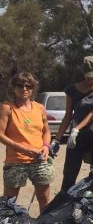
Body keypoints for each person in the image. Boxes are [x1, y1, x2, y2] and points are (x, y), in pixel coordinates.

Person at [55, 56, 93, 192]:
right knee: (69, 173)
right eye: (90, 76)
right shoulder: (71, 90)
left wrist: (77, 128)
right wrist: (56, 140)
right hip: (76, 138)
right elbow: (68, 115)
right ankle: (64, 202)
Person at [0, 73, 53, 210]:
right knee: (9, 202)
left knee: (44, 198)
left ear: (33, 88)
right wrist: (24, 150)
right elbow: (0, 135)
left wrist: (46, 146)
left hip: (39, 160)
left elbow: (46, 131)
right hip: (16, 161)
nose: (24, 89)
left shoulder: (40, 108)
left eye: (28, 86)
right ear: (14, 87)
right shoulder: (7, 108)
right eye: (20, 85)